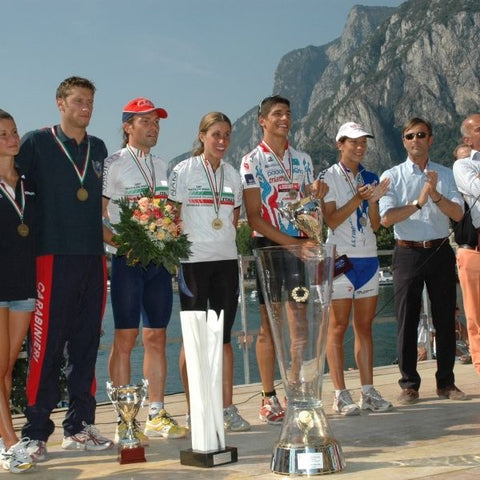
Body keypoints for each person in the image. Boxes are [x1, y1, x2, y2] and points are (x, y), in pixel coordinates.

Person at [17, 77, 113, 461]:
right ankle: (35, 433)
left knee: (87, 345)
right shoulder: (36, 142)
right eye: (77, 101)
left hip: (93, 257)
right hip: (51, 257)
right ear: (60, 103)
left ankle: (79, 426)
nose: (85, 107)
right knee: (45, 349)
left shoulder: (99, 148)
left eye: (90, 101)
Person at [239, 95, 327, 424]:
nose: (284, 119)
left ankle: (295, 388)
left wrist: (318, 194)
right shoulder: (251, 161)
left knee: (300, 324)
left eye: (288, 113)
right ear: (262, 120)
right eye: (277, 114)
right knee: (268, 325)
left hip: (299, 246)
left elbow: (308, 207)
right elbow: (254, 217)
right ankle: (267, 396)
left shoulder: (303, 159)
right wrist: (292, 245)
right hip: (270, 247)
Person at [103, 97, 187, 441]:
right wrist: (121, 245)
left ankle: (156, 412)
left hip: (158, 261)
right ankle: (124, 418)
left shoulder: (163, 165)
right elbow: (100, 212)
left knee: (157, 336)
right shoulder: (113, 163)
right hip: (127, 260)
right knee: (126, 338)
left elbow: (169, 212)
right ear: (128, 127)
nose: (153, 128)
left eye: (156, 123)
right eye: (145, 122)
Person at [168, 112, 250, 432]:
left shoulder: (232, 175)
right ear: (202, 136)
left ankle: (227, 408)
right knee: (193, 339)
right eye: (216, 134)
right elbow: (172, 217)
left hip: (225, 262)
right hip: (193, 263)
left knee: (224, 338)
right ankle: (194, 410)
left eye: (227, 135)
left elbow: (233, 219)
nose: (222, 141)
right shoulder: (183, 171)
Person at [379, 117, 466, 404]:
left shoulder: (445, 174)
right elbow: (387, 218)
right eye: (409, 136)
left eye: (421, 135)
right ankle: (409, 385)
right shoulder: (391, 176)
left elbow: (458, 214)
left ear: (430, 139)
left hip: (440, 251)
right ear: (403, 141)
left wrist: (436, 194)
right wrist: (418, 201)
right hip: (407, 251)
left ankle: (446, 383)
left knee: (445, 317)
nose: (415, 140)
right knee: (407, 319)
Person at [321, 122, 392, 415]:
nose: (359, 147)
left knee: (364, 328)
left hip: (368, 257)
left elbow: (375, 224)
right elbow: (331, 220)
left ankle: (368, 392)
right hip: (340, 259)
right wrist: (359, 198)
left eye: (363, 141)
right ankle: (340, 393)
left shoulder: (370, 176)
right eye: (353, 142)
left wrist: (373, 202)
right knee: (337, 328)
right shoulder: (328, 176)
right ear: (341, 144)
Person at [0, 110, 35, 473]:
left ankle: (2, 436)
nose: (11, 138)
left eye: (13, 132)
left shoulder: (28, 181)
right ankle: (10, 442)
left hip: (24, 284)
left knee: (8, 365)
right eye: (3, 134)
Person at [452, 113, 480, 376]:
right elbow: (476, 187)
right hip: (475, 248)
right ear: (467, 139)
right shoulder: (463, 165)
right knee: (475, 316)